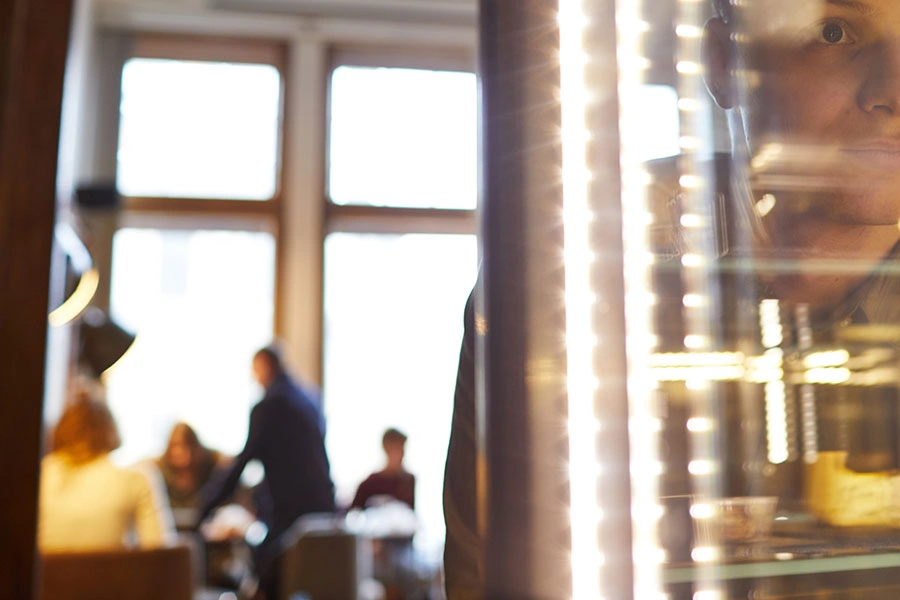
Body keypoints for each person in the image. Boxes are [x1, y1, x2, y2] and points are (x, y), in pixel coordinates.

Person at [444, 0, 900, 596]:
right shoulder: (570, 271)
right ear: (722, 61)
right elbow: (490, 577)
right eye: (834, 32)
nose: (893, 88)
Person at [197, 344, 335, 595]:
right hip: (324, 505)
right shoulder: (309, 399)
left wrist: (206, 505)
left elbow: (243, 461)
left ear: (265, 367)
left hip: (293, 513)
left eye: (255, 371)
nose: (254, 379)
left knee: (268, 575)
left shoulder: (269, 407)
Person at [38, 396, 175, 552]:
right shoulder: (136, 479)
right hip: (112, 576)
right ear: (111, 430)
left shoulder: (39, 475)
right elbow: (160, 553)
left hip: (47, 576)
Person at [351, 428, 416, 510]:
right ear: (386, 449)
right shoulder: (368, 484)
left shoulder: (408, 481)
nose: (402, 454)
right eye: (398, 449)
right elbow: (354, 513)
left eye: (403, 449)